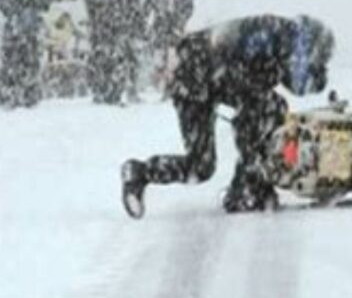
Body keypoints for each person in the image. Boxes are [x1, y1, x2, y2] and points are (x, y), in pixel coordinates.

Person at [120, 14, 335, 219]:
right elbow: (248, 84)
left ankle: (249, 185)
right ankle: (142, 173)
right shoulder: (270, 36)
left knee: (264, 111)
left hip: (205, 76)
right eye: (317, 61)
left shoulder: (282, 41)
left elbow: (292, 83)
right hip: (194, 74)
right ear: (308, 48)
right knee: (204, 162)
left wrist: (316, 80)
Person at [0, 0, 51, 108]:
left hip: (31, 43)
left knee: (31, 69)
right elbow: (4, 7)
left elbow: (46, 5)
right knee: (9, 71)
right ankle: (9, 96)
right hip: (12, 43)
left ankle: (29, 95)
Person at [84, 0, 124, 104]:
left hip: (110, 34)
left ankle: (112, 92)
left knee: (112, 64)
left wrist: (115, 23)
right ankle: (100, 91)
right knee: (99, 64)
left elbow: (121, 11)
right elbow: (91, 11)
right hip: (100, 34)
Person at [119, 0, 147, 102]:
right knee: (129, 63)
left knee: (132, 63)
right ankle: (129, 91)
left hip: (129, 33)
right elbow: (136, 15)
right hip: (127, 33)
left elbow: (139, 16)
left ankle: (131, 90)